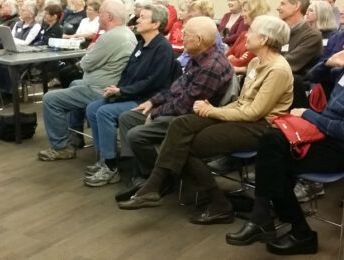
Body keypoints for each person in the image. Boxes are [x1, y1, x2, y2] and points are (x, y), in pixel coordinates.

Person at [225, 15, 344, 256]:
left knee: (277, 163)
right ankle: (267, 218)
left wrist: (308, 114)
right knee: (271, 141)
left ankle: (285, 226)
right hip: (323, 135)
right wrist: (328, 64)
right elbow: (310, 78)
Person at [118, 16, 293, 224]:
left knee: (186, 144)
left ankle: (216, 202)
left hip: (260, 127)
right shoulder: (256, 62)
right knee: (180, 124)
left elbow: (252, 113)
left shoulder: (278, 70)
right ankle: (155, 187)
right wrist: (215, 110)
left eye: (252, 31)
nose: (246, 34)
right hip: (239, 115)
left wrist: (213, 111)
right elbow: (242, 103)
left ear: (264, 39)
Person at [114, 16, 233, 202]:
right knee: (127, 118)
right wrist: (153, 102)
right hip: (181, 109)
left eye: (186, 35)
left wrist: (156, 113)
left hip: (193, 118)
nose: (181, 37)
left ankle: (161, 179)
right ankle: (143, 175)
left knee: (136, 135)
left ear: (199, 40)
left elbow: (185, 106)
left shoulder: (211, 66)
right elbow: (176, 89)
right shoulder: (200, 57)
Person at [84, 4, 175, 187]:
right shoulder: (141, 43)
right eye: (139, 16)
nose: (138, 20)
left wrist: (123, 92)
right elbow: (128, 72)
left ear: (156, 23)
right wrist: (116, 90)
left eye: (143, 17)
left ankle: (111, 168)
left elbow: (153, 82)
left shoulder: (163, 48)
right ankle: (105, 157)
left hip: (148, 100)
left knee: (104, 112)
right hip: (132, 94)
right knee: (93, 108)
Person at [38, 0, 137, 161]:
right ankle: (75, 135)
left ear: (109, 17)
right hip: (108, 85)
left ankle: (61, 147)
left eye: (101, 14)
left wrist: (90, 53)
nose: (98, 18)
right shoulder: (127, 33)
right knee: (74, 83)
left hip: (100, 89)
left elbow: (85, 64)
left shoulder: (110, 37)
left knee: (50, 99)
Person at [276, 0, 323, 108]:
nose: (278, 7)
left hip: (293, 89)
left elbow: (289, 63)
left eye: (283, 4)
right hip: (275, 79)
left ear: (296, 6)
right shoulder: (280, 31)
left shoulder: (312, 35)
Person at [225, 0, 270, 73]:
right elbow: (226, 55)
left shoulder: (262, 38)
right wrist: (232, 57)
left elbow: (240, 63)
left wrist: (231, 57)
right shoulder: (243, 34)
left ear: (255, 12)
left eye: (245, 11)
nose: (242, 14)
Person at [178, 0, 227, 67]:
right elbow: (185, 54)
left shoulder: (210, 31)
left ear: (203, 12)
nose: (191, 14)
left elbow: (200, 58)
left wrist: (176, 64)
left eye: (193, 11)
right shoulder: (196, 28)